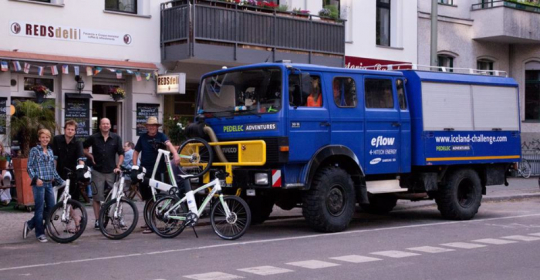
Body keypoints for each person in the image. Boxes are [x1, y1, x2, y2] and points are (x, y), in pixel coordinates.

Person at [133, 116, 180, 233]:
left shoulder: (161, 136)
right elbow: (136, 151)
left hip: (158, 171)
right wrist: (135, 165)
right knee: (147, 197)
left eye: (153, 126)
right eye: (149, 126)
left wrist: (175, 154)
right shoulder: (142, 138)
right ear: (147, 127)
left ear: (156, 127)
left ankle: (151, 223)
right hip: (145, 170)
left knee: (154, 197)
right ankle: (149, 220)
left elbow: (169, 144)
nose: (151, 127)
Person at [23, 129, 65, 243]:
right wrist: (36, 179)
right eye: (43, 137)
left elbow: (52, 169)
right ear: (39, 138)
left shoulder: (50, 152)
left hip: (49, 184)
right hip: (39, 184)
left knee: (51, 207)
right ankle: (40, 233)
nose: (45, 139)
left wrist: (61, 181)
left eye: (47, 137)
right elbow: (29, 167)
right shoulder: (34, 150)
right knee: (39, 209)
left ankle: (30, 224)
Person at [83, 118, 124, 229]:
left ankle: (118, 217)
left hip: (112, 171)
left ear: (110, 126)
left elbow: (121, 153)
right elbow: (83, 148)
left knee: (117, 196)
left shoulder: (116, 138)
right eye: (103, 124)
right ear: (100, 126)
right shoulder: (94, 137)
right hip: (97, 171)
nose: (105, 125)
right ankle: (97, 220)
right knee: (97, 197)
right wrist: (90, 156)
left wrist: (118, 166)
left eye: (107, 123)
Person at [51, 120, 85, 202]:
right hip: (59, 171)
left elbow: (81, 158)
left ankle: (71, 213)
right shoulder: (57, 139)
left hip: (72, 172)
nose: (70, 131)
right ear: (65, 129)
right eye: (68, 129)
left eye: (72, 130)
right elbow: (54, 158)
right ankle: (53, 213)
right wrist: (53, 172)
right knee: (55, 196)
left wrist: (82, 171)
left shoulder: (78, 142)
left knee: (72, 197)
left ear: (75, 131)